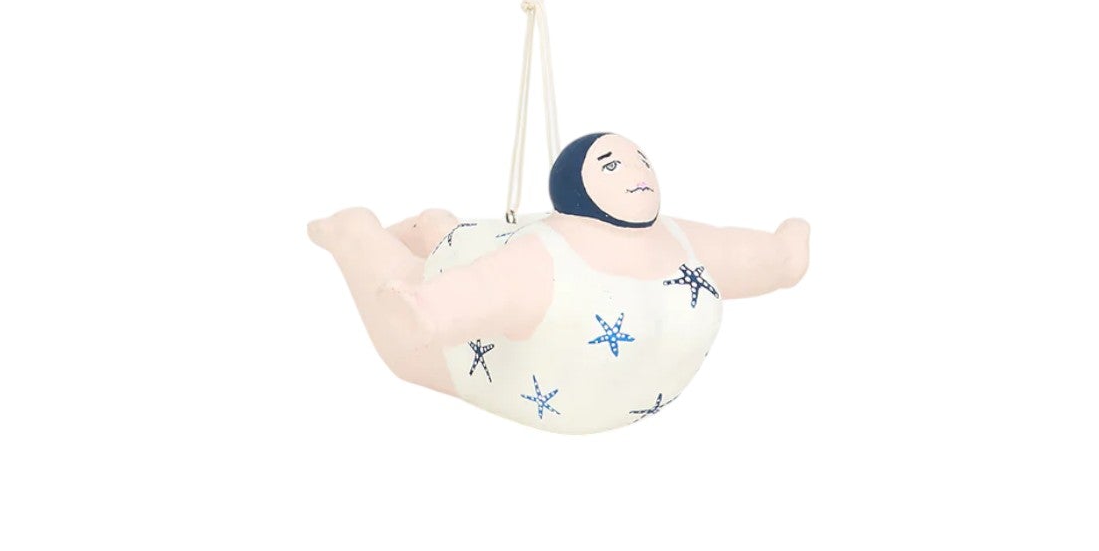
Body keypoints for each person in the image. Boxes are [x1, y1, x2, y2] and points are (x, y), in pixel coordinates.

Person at [308, 131, 811, 433]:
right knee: (405, 287)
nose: (636, 173)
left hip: (598, 402)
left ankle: (436, 228)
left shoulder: (674, 237)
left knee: (462, 238)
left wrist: (782, 256)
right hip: (460, 360)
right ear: (576, 184)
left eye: (641, 161)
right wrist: (424, 312)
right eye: (611, 165)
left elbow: (738, 254)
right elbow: (483, 290)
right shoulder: (544, 259)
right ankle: (355, 231)